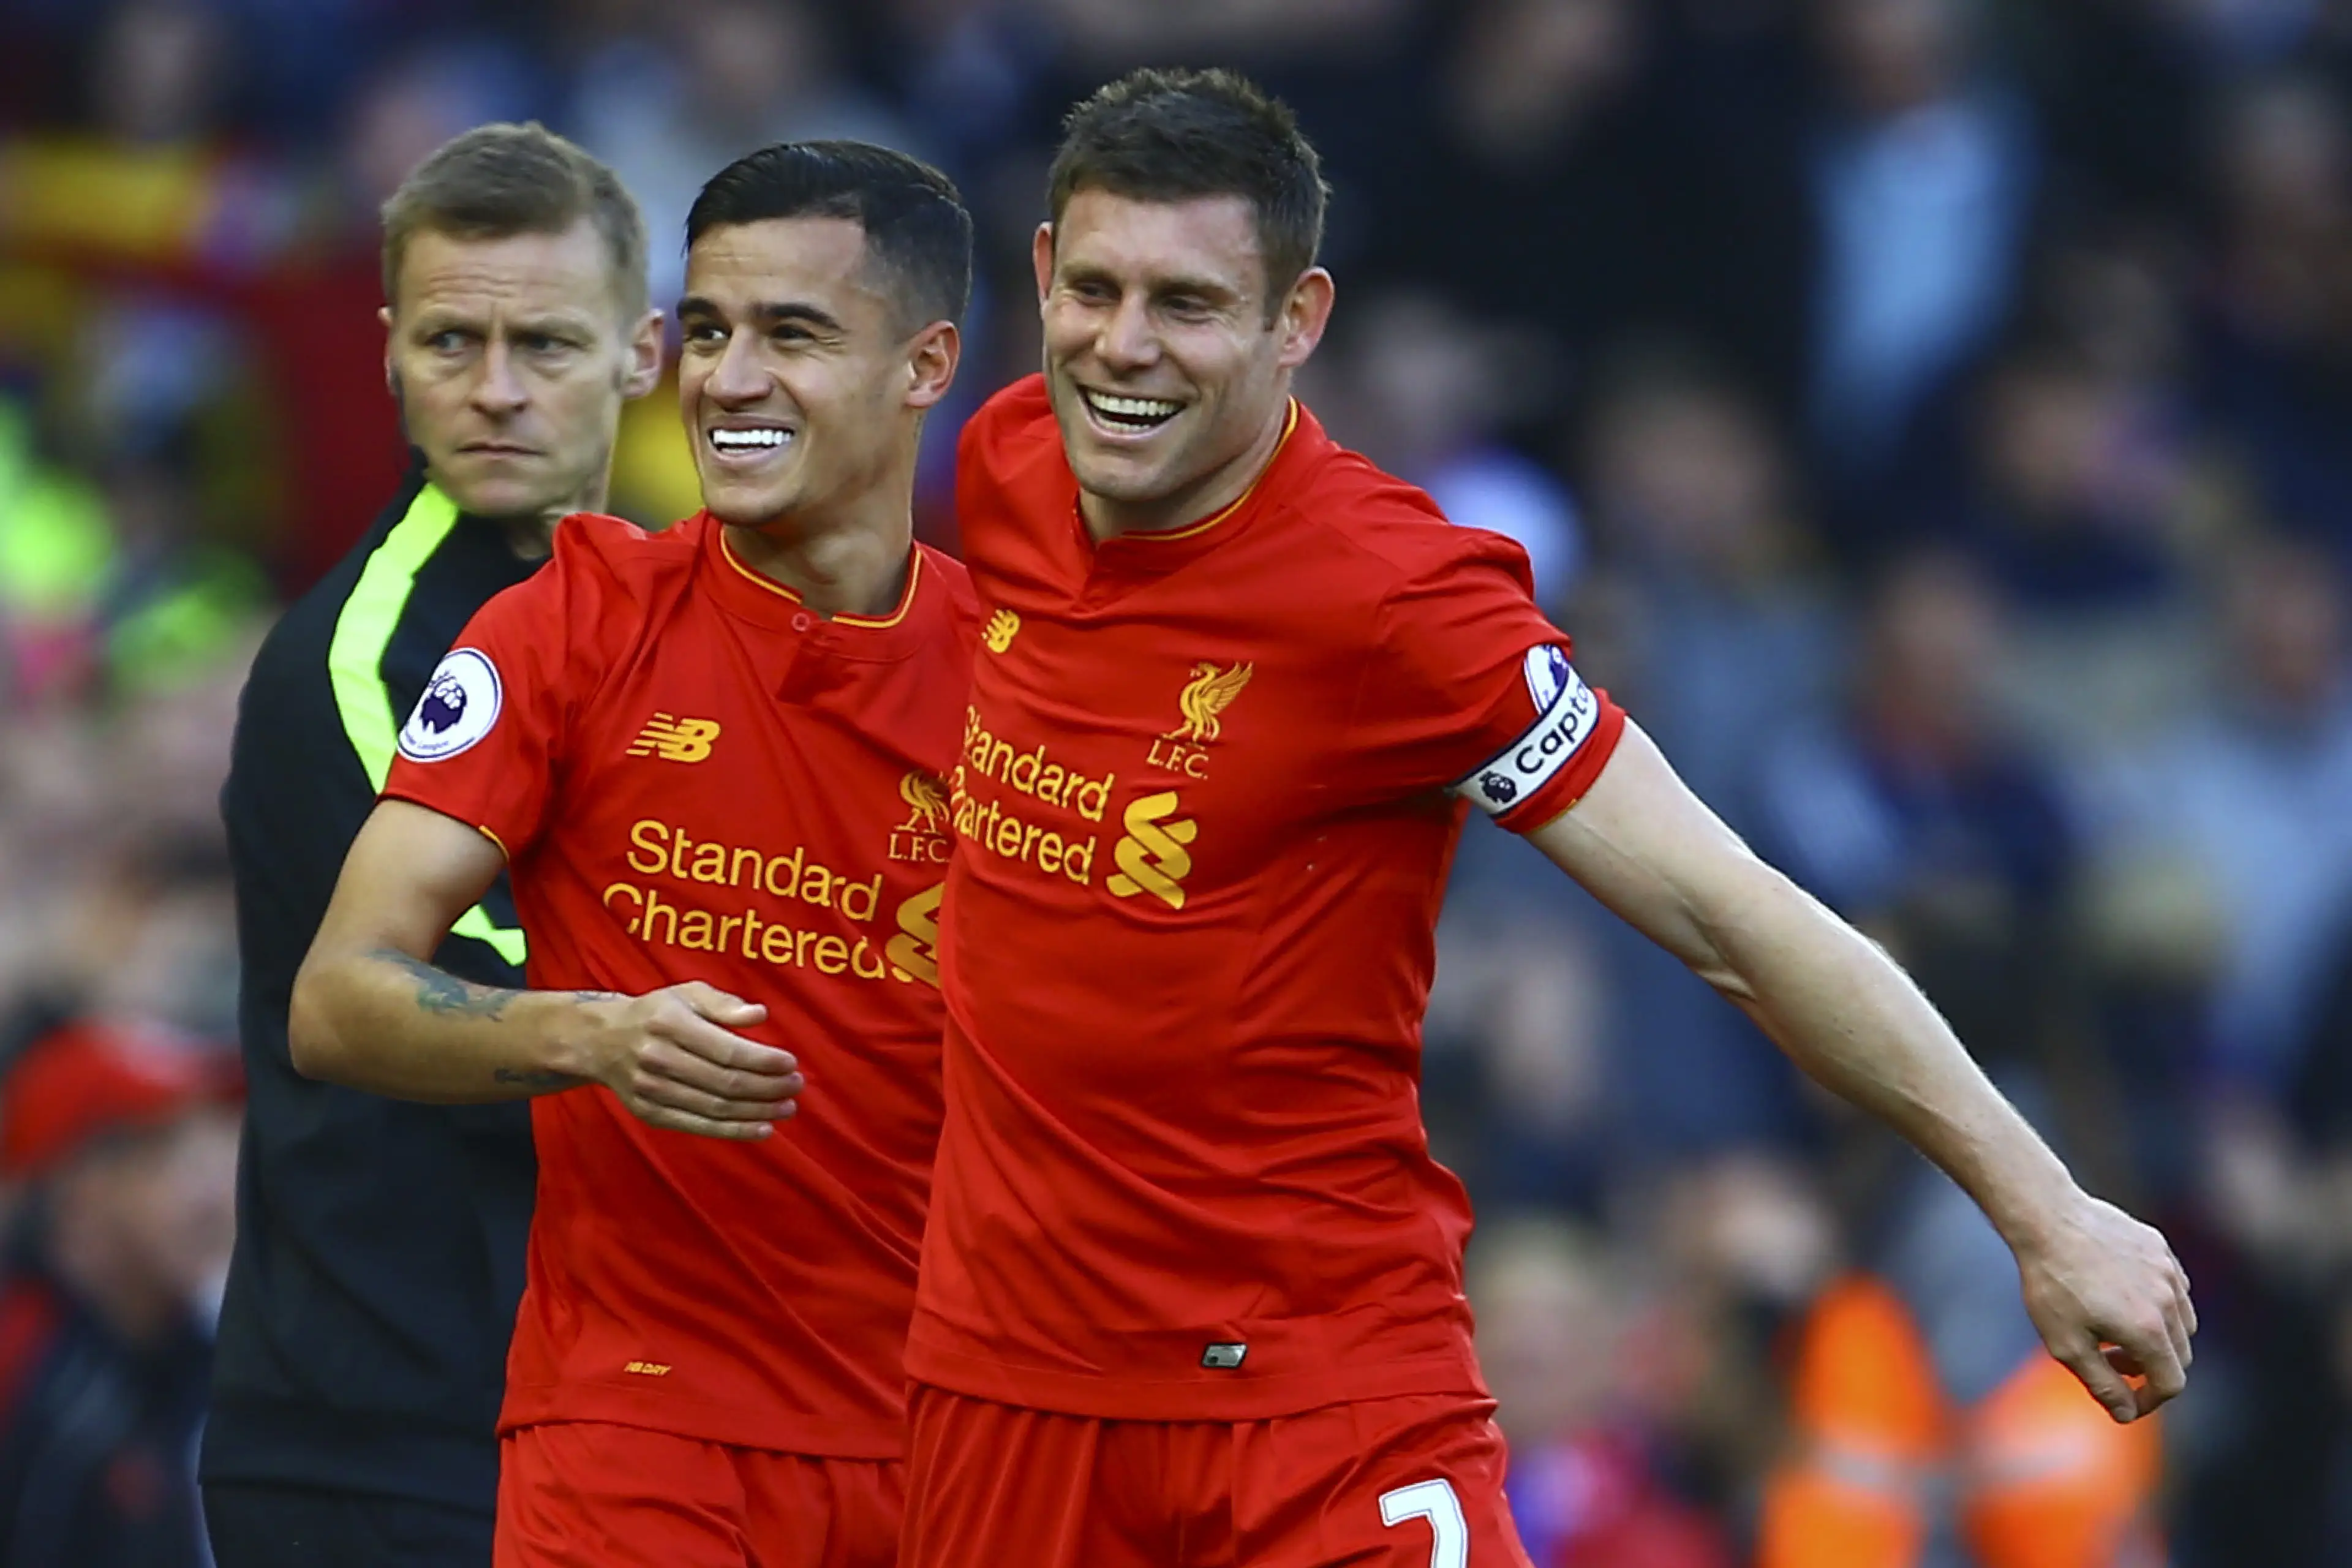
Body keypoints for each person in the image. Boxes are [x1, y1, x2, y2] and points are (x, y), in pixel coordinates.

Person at [899, 67, 2196, 1568]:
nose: (1124, 348)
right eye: (1098, 288)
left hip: (1309, 1408)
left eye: (1187, 303)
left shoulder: (1399, 603)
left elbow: (1726, 908)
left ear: (1295, 322)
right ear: (1043, 274)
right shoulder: (1001, 463)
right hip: (998, 1396)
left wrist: (2044, 1208)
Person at [287, 141, 976, 1568]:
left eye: (790, 334)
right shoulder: (568, 627)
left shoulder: (1026, 682)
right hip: (639, 1427)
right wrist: (589, 1032)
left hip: (956, 1437)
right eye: (710, 330)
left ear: (924, 365)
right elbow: (338, 993)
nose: (725, 379)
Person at [202, 123, 663, 1567]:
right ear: (392, 352)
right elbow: (504, 997)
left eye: (547, 341)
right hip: (383, 1433)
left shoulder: (678, 602)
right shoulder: (354, 664)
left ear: (642, 352)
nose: (499, 389)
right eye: (454, 341)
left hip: (596, 1402)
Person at [0, 1020, 242, 1568]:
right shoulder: (28, 1366)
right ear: (76, 1192)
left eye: (213, 1140)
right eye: (163, 1151)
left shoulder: (205, 1351)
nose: (208, 1190)